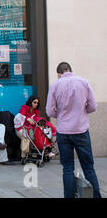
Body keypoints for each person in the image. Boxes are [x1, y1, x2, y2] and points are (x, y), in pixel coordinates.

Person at [46, 62, 101, 198]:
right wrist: (82, 112)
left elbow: (49, 111)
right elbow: (93, 106)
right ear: (70, 70)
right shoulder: (84, 82)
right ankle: (96, 196)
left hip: (63, 132)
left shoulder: (55, 85)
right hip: (81, 130)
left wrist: (60, 115)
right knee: (88, 167)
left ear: (59, 73)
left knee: (67, 168)